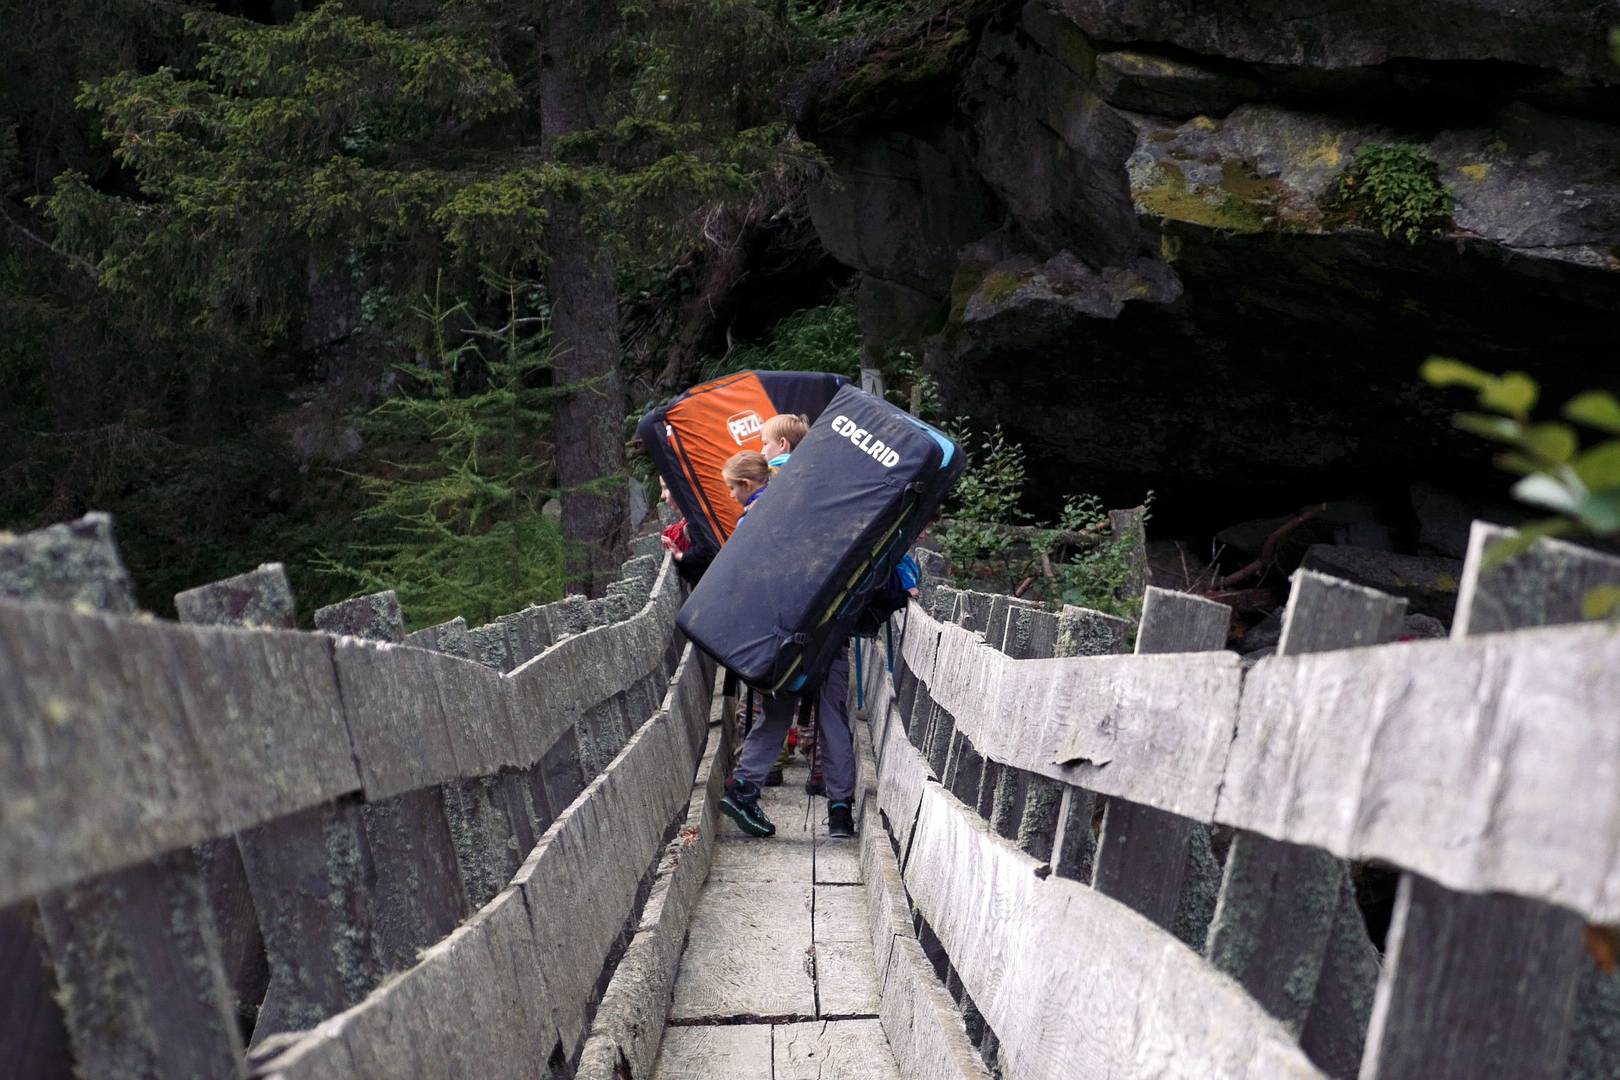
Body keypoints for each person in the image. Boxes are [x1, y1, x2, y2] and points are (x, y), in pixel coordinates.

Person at [717, 449, 859, 842]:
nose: (730, 496)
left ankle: (744, 787)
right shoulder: (813, 513)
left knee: (775, 714)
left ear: (748, 484)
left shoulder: (755, 519)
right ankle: (840, 811)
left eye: (732, 488)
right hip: (827, 632)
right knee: (833, 720)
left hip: (780, 637)